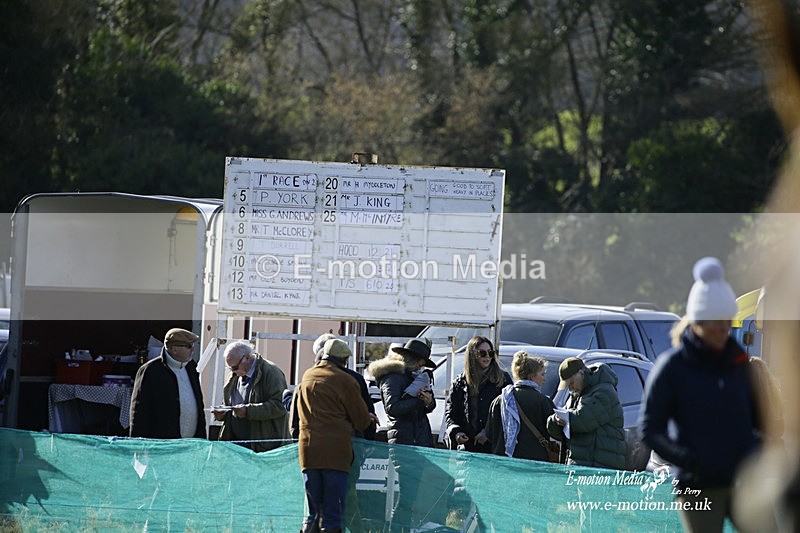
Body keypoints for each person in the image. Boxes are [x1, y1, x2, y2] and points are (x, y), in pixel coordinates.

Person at [639, 257, 761, 532]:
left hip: (743, 482)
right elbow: (651, 430)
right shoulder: (672, 368)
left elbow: (761, 420)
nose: (723, 331)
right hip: (697, 485)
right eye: (715, 324)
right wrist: (691, 461)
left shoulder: (740, 365)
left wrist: (757, 456)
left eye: (727, 324)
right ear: (697, 323)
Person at [291, 338, 375, 533]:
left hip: (308, 452)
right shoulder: (346, 380)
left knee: (313, 513)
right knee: (333, 513)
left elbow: (295, 417)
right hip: (335, 454)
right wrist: (367, 418)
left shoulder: (307, 376)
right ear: (344, 359)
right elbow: (361, 420)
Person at [546, 356, 626, 469]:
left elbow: (582, 420)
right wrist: (555, 420)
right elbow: (559, 430)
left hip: (601, 465)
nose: (570, 388)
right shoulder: (577, 394)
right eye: (568, 385)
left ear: (581, 373)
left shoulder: (604, 392)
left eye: (572, 383)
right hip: (584, 463)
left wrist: (564, 418)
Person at [211, 341, 290, 452]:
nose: (233, 371)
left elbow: (280, 406)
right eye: (230, 368)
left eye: (234, 367)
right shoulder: (235, 375)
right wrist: (222, 413)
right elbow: (231, 404)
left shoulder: (271, 372)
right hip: (236, 446)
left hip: (263, 449)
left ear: (247, 358)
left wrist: (248, 411)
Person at [129, 328, 206, 439]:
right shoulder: (150, 371)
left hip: (191, 445)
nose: (193, 350)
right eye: (189, 346)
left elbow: (199, 405)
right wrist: (137, 446)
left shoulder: (192, 367)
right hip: (161, 447)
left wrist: (202, 441)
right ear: (174, 349)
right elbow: (139, 412)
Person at [444, 336, 511, 453]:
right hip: (467, 449)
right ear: (472, 355)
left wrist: (488, 432)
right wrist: (457, 433)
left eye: (490, 353)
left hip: (494, 448)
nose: (487, 357)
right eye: (482, 353)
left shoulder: (503, 380)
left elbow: (509, 414)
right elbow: (451, 414)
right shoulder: (460, 383)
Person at [366, 338, 436, 446]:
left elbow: (429, 405)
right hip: (403, 439)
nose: (420, 367)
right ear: (412, 360)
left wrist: (429, 402)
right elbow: (392, 407)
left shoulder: (416, 376)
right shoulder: (392, 378)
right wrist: (419, 401)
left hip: (420, 437)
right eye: (419, 364)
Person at [486, 351, 555, 460]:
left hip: (502, 463)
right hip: (533, 463)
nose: (544, 378)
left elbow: (490, 434)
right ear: (532, 376)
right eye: (542, 374)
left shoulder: (500, 400)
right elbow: (554, 432)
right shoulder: (543, 401)